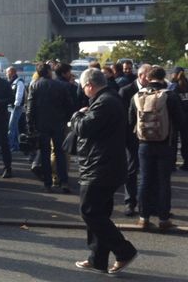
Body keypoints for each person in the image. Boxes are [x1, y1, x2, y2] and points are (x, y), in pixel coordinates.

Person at [70, 68, 138, 275]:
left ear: (90, 85)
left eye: (83, 88)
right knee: (99, 212)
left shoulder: (104, 102)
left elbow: (84, 128)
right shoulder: (109, 99)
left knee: (89, 211)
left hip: (100, 166)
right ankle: (97, 258)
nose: (84, 92)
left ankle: (124, 251)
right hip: (107, 164)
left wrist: (75, 117)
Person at [129, 66, 186, 231]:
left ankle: (143, 218)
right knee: (163, 182)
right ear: (163, 78)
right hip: (166, 144)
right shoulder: (170, 96)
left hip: (144, 144)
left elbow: (130, 119)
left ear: (148, 78)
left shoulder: (137, 96)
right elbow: (181, 120)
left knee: (145, 180)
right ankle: (163, 219)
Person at [26, 62, 73, 193]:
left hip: (41, 124)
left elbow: (30, 108)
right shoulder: (60, 85)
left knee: (45, 154)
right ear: (48, 72)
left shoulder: (34, 85)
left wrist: (30, 125)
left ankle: (48, 182)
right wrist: (67, 119)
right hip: (58, 123)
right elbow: (69, 104)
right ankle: (63, 181)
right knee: (60, 153)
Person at [118, 63, 151, 216]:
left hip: (150, 137)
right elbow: (122, 117)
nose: (151, 79)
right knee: (131, 170)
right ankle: (130, 202)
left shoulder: (154, 90)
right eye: (149, 75)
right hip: (131, 136)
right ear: (141, 76)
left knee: (149, 171)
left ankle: (148, 205)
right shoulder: (126, 91)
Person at [169, 66, 188, 170]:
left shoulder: (174, 86)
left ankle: (172, 164)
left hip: (176, 117)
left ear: (174, 74)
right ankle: (187, 163)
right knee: (186, 142)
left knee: (174, 142)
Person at [6, 66, 25, 152]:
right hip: (12, 107)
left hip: (16, 107)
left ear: (12, 72)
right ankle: (16, 145)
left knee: (11, 127)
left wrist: (16, 104)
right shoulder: (12, 82)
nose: (6, 74)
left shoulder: (19, 82)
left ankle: (9, 145)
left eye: (8, 72)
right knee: (15, 127)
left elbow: (19, 94)